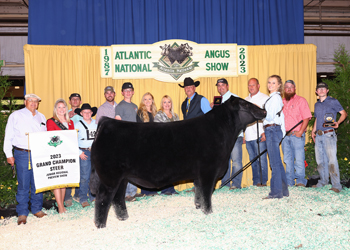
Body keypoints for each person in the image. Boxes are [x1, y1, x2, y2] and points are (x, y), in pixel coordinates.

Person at [3, 94, 48, 225]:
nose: (33, 103)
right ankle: (22, 213)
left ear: (38, 103)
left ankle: (37, 209)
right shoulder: (16, 115)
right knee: (23, 184)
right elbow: (8, 135)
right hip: (23, 153)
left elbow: (44, 136)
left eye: (36, 101)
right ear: (25, 102)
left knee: (38, 183)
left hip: (39, 153)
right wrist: (8, 154)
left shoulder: (41, 116)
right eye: (31, 101)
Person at [311, 82, 347, 193]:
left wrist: (338, 123)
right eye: (319, 89)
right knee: (320, 161)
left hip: (329, 134)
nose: (321, 90)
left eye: (323, 88)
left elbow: (344, 114)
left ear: (327, 91)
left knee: (332, 160)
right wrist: (313, 131)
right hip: (319, 134)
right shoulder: (316, 104)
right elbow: (317, 119)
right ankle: (323, 182)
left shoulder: (333, 101)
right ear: (316, 92)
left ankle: (336, 185)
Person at [210, 78, 243, 190]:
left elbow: (239, 118)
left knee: (236, 161)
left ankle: (236, 184)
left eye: (223, 85)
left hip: (234, 135)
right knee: (225, 161)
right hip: (222, 137)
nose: (220, 87)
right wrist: (213, 108)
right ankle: (225, 183)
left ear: (227, 86)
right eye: (218, 85)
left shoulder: (234, 98)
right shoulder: (217, 100)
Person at [46, 99, 75, 213]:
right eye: (59, 107)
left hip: (67, 154)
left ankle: (61, 205)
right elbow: (51, 138)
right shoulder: (51, 121)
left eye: (64, 107)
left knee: (64, 181)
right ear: (55, 109)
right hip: (56, 154)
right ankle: (60, 207)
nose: (62, 109)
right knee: (57, 181)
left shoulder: (70, 122)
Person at [282, 80, 312, 187]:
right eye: (287, 87)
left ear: (295, 88)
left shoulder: (301, 100)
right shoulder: (281, 102)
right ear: (284, 89)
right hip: (285, 136)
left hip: (297, 135)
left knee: (299, 159)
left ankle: (300, 181)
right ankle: (289, 182)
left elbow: (306, 118)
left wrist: (300, 132)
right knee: (287, 160)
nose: (289, 89)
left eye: (291, 87)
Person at [263, 75, 288, 199]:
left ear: (279, 85)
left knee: (274, 163)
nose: (270, 85)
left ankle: (276, 192)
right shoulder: (273, 98)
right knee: (277, 161)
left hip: (272, 129)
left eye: (273, 83)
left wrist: (259, 113)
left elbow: (269, 116)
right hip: (272, 129)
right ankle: (283, 190)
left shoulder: (275, 98)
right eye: (269, 82)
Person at [114, 82, 138, 201]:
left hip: (134, 141)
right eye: (126, 90)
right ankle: (125, 194)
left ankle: (132, 192)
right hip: (125, 141)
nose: (128, 92)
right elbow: (118, 124)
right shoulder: (120, 106)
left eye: (130, 90)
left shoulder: (135, 106)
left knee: (133, 168)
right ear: (122, 93)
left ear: (133, 92)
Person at [244, 78, 269, 187]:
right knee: (253, 160)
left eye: (253, 85)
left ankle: (263, 182)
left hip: (260, 134)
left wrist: (265, 132)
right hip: (249, 135)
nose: (251, 87)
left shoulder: (265, 98)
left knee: (262, 160)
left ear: (258, 86)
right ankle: (256, 182)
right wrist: (244, 133)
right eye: (249, 85)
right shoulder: (245, 100)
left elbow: (268, 116)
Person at [154, 95, 179, 195]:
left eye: (169, 102)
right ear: (162, 104)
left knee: (172, 168)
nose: (167, 104)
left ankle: (171, 189)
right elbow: (157, 131)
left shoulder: (175, 116)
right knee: (164, 168)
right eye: (165, 102)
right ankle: (165, 189)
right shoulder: (158, 115)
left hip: (174, 145)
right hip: (163, 145)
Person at [74, 103, 98, 207]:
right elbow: (73, 140)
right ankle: (83, 198)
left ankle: (93, 196)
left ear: (92, 113)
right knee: (84, 176)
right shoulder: (77, 125)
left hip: (95, 152)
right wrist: (79, 152)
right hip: (84, 151)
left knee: (94, 175)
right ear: (81, 113)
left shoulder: (96, 124)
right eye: (85, 112)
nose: (87, 114)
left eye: (89, 112)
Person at [137, 92, 158, 196]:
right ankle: (146, 190)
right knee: (145, 167)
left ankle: (153, 189)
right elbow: (140, 129)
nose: (147, 101)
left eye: (149, 99)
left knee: (153, 167)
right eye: (145, 99)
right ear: (143, 101)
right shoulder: (140, 112)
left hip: (155, 143)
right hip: (145, 143)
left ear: (152, 100)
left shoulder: (155, 112)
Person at [65, 93, 82, 206]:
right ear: (70, 101)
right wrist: (67, 117)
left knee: (80, 171)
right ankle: (67, 196)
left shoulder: (85, 114)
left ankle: (78, 194)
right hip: (69, 146)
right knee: (69, 171)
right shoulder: (64, 113)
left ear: (80, 101)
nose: (75, 101)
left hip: (80, 146)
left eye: (77, 99)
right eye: (73, 99)